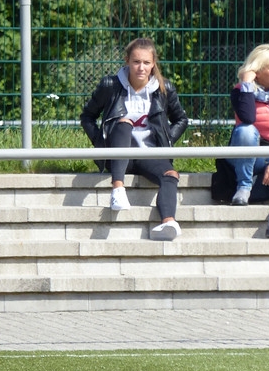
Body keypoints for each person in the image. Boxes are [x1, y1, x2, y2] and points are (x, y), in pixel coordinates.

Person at [80, 37, 189, 241]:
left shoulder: (164, 88)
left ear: (153, 64)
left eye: (146, 63)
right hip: (119, 154)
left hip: (150, 153)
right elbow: (87, 116)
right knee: (124, 123)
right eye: (136, 62)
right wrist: (100, 143)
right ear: (127, 61)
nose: (141, 68)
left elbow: (181, 119)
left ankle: (168, 222)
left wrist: (167, 141)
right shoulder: (110, 85)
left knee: (171, 174)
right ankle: (118, 188)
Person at [227, 44, 269, 210]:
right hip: (250, 155)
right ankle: (244, 186)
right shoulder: (240, 92)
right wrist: (247, 84)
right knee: (245, 130)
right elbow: (248, 118)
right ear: (258, 72)